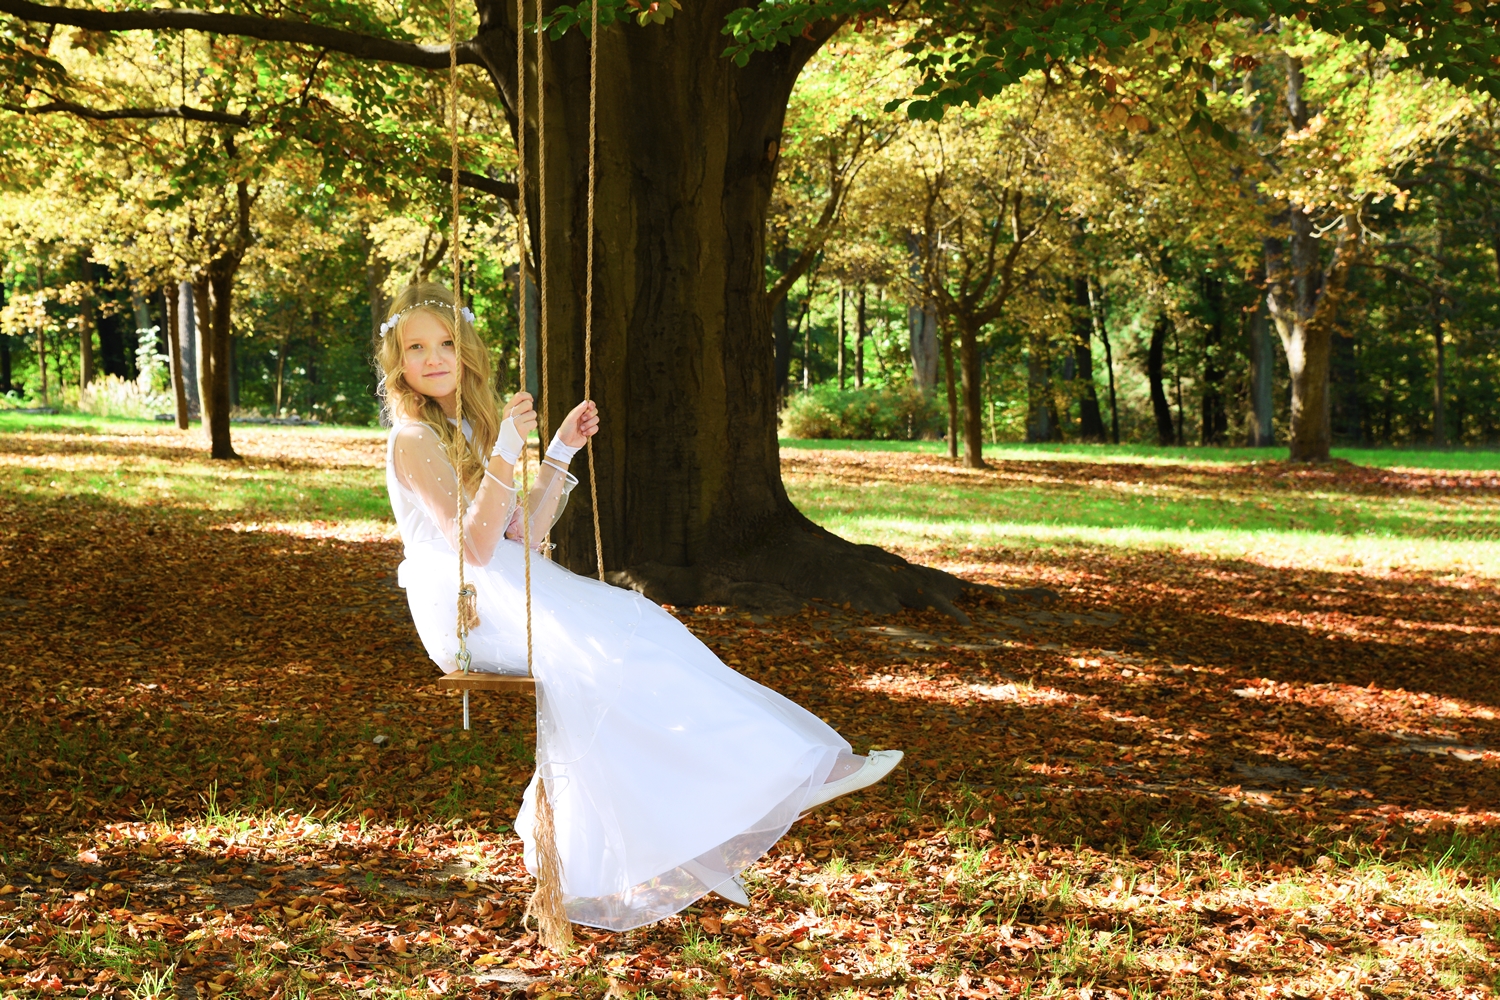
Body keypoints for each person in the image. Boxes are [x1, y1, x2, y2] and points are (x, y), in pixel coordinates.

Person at [375, 282, 902, 931]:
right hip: (467, 611)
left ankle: (728, 804)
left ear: (468, 353)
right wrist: (508, 449)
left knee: (644, 628)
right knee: (610, 654)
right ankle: (738, 801)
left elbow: (523, 534)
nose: (433, 357)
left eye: (446, 343)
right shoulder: (412, 438)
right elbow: (477, 548)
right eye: (416, 348)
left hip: (507, 586)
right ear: (398, 363)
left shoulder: (465, 429)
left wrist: (559, 452)